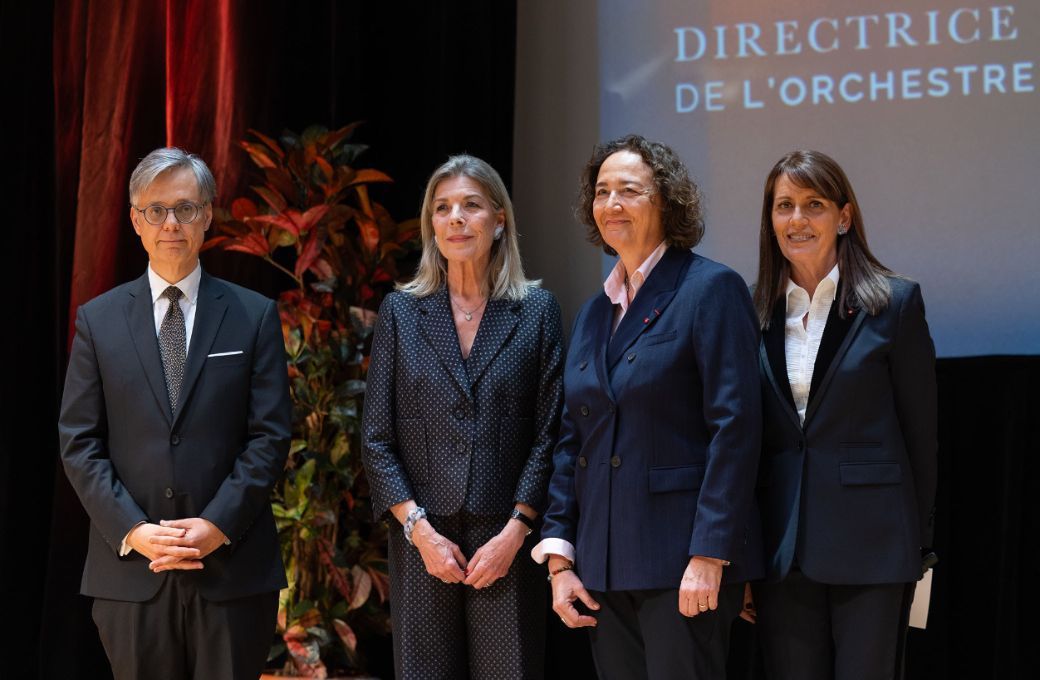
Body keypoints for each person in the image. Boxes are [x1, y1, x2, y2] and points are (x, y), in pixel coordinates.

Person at [534, 134, 762, 679]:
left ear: (666, 202)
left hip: (683, 565)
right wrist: (560, 561)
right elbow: (574, 442)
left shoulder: (711, 289)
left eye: (629, 191)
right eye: (602, 191)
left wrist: (710, 554)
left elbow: (736, 428)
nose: (612, 204)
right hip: (604, 567)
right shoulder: (594, 312)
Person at [58, 148, 292, 679]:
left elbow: (270, 438)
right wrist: (134, 529)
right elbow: (79, 442)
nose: (171, 224)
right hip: (132, 574)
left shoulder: (254, 316)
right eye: (156, 210)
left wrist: (216, 524)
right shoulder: (98, 321)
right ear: (135, 220)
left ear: (207, 216)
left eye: (185, 209)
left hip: (232, 572)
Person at [362, 154, 564, 679]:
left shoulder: (537, 311)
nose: (456, 218)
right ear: (431, 223)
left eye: (471, 206)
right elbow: (377, 438)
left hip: (508, 544)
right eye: (443, 207)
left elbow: (549, 435)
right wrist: (419, 531)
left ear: (499, 220)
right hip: (423, 542)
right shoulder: (402, 312)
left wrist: (517, 531)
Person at [748, 149, 937, 680]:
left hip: (873, 547)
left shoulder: (894, 303)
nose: (797, 220)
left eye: (814, 204)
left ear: (844, 216)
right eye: (784, 206)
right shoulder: (750, 310)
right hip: (783, 551)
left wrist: (917, 545)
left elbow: (921, 435)